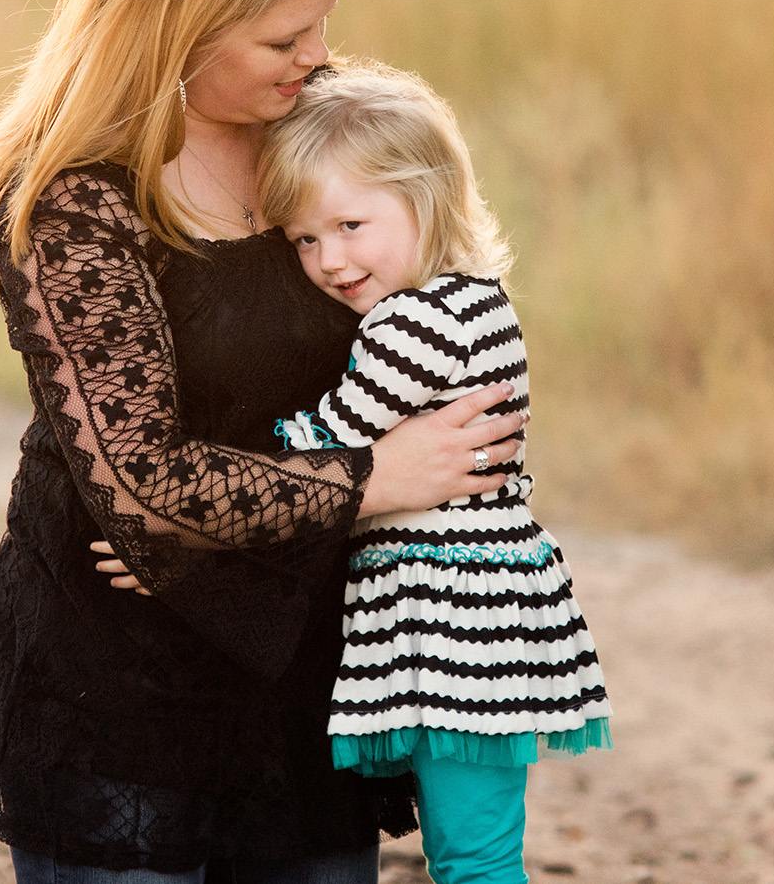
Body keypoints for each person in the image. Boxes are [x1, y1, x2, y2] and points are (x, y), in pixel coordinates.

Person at [0, 0, 525, 884]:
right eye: (283, 40)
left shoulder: (324, 147)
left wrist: (215, 546)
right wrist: (375, 480)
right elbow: (144, 489)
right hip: (120, 701)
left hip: (308, 687)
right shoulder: (75, 196)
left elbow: (455, 361)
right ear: (176, 27)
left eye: (319, 28)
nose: (318, 59)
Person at [255, 61, 610, 884]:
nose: (328, 259)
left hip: (454, 630)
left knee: (474, 862)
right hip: (471, 616)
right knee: (475, 849)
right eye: (305, 239)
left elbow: (326, 446)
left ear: (427, 196)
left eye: (350, 225)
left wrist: (239, 454)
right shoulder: (475, 299)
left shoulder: (412, 325)